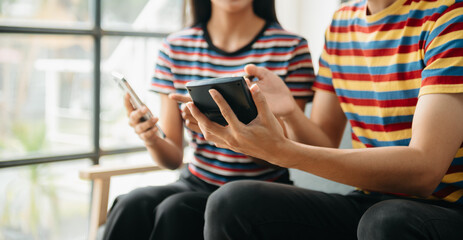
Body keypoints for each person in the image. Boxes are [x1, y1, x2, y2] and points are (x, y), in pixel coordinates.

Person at [186, 0, 463, 239]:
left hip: (446, 209)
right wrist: (290, 112)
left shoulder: (450, 16)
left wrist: (283, 152)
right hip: (371, 200)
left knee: (386, 219)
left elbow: (425, 172)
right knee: (233, 202)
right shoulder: (342, 23)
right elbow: (324, 140)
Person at [102, 0, 315, 239]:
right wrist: (151, 138)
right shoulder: (176, 47)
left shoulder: (291, 47)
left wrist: (230, 133)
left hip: (263, 188)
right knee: (131, 204)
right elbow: (173, 158)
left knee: (175, 210)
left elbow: (285, 154)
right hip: (197, 180)